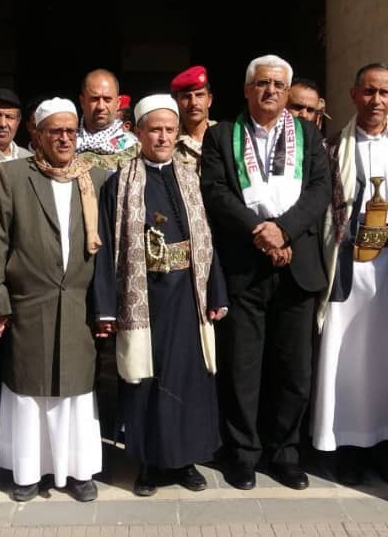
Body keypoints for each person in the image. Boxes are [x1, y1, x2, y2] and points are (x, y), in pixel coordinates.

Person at [200, 54, 331, 491]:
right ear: (247, 90)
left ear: (287, 92)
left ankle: (285, 452)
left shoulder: (308, 134)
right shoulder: (221, 136)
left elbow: (320, 190)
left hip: (297, 264)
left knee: (294, 370)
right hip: (245, 266)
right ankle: (242, 453)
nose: (270, 90)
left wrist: (284, 231)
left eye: (277, 84)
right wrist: (260, 232)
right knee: (242, 367)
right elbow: (216, 191)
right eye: (261, 83)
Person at [93, 94, 228, 496]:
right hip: (145, 298)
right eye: (155, 130)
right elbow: (106, 248)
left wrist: (216, 292)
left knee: (189, 381)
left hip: (187, 296)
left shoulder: (191, 178)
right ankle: (148, 464)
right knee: (146, 382)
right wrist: (105, 307)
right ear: (139, 132)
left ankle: (186, 461)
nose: (164, 137)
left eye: (170, 130)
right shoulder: (119, 182)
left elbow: (208, 240)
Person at [312, 63, 388, 487]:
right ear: (353, 95)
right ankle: (347, 447)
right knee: (347, 360)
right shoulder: (331, 148)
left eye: (384, 92)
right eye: (368, 91)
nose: (376, 100)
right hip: (348, 268)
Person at [0, 98, 107, 503]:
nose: (63, 138)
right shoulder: (11, 176)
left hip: (78, 303)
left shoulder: (95, 178)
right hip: (28, 302)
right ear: (37, 135)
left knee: (76, 390)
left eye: (70, 131)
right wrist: (0, 300)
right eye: (55, 131)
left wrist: (104, 307)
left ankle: (78, 471)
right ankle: (27, 473)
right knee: (28, 389)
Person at [76, 69, 138, 170]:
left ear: (118, 103)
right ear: (82, 102)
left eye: (107, 99)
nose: (101, 106)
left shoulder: (132, 146)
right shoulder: (69, 143)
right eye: (94, 99)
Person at [170, 65, 215, 172]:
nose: (193, 103)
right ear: (176, 102)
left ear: (209, 100)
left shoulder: (225, 135)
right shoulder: (169, 140)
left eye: (199, 95)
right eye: (186, 97)